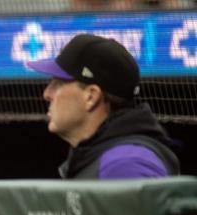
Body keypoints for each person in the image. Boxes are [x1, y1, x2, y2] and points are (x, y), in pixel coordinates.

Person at [27, 33, 180, 179]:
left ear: (91, 96)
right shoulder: (105, 157)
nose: (47, 94)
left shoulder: (126, 164)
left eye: (58, 84)